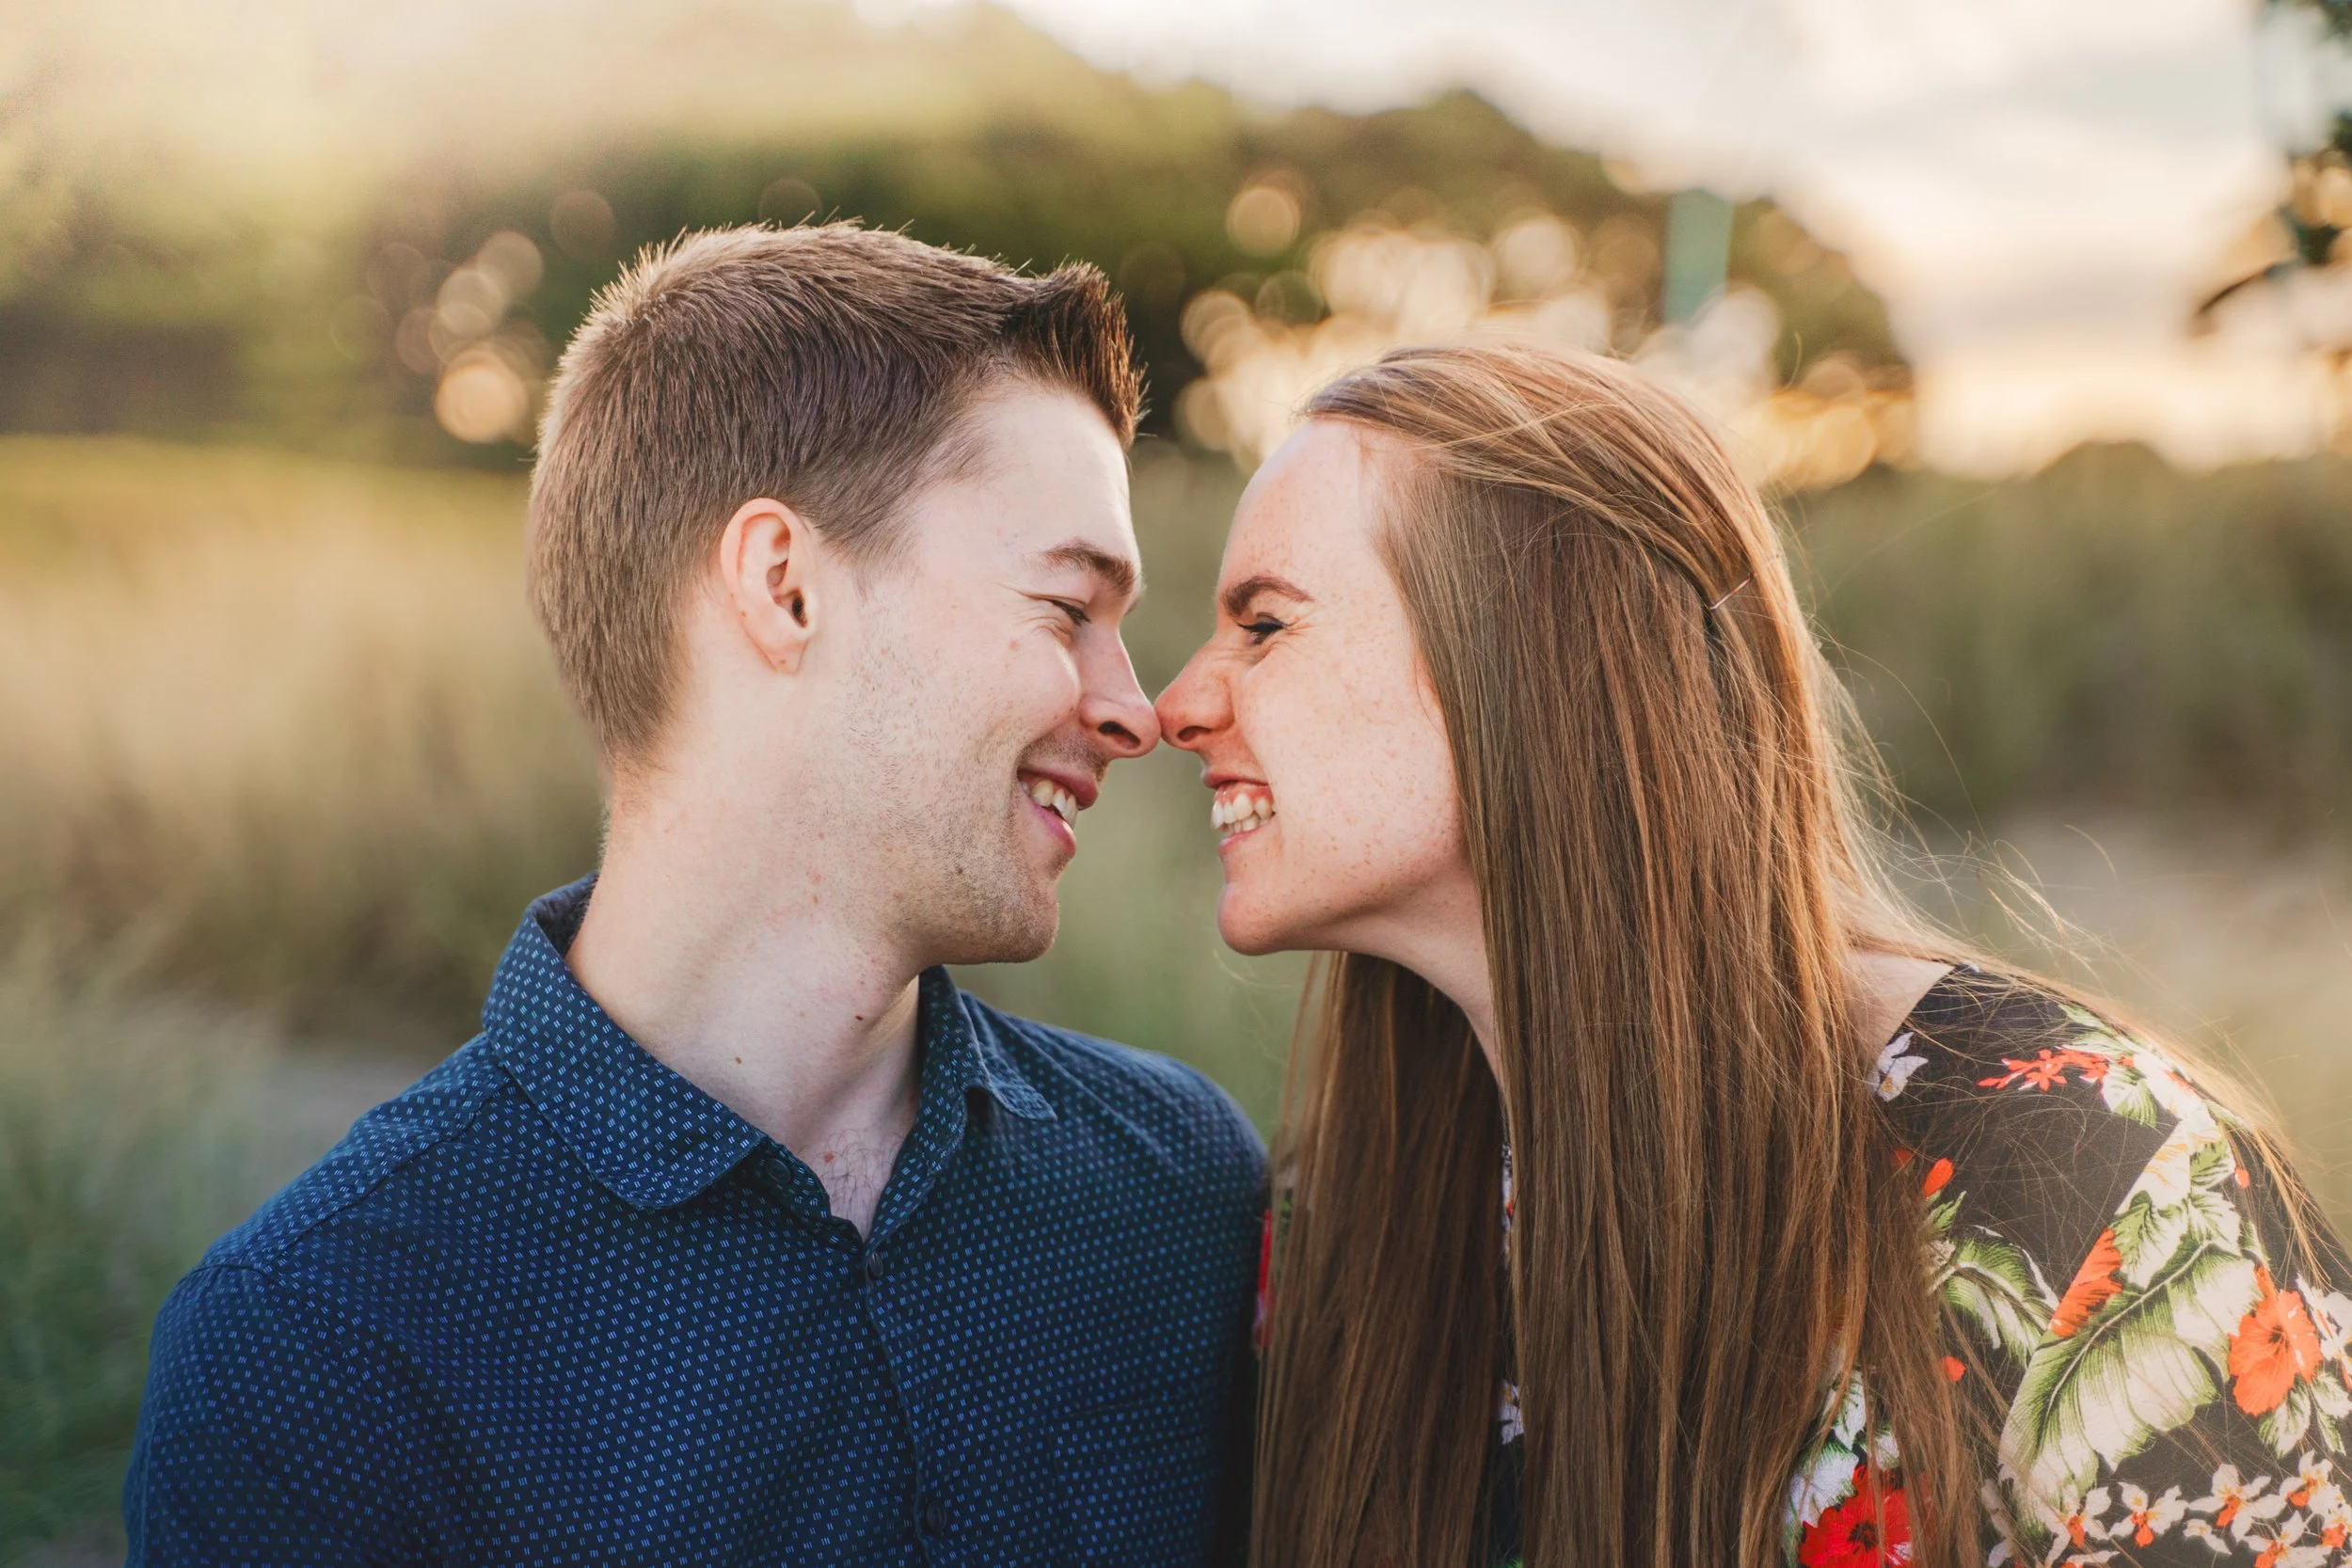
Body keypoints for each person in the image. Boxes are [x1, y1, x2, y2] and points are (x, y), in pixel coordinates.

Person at [126, 224, 1264, 1564]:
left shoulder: (1178, 1187)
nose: (1137, 708)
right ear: (783, 588)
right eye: (1067, 605)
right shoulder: (314, 1348)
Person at [1154, 341, 2352, 1568]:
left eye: (1263, 623)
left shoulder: (2096, 1180)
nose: (1176, 704)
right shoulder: (1338, 1217)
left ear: (1534, 651)